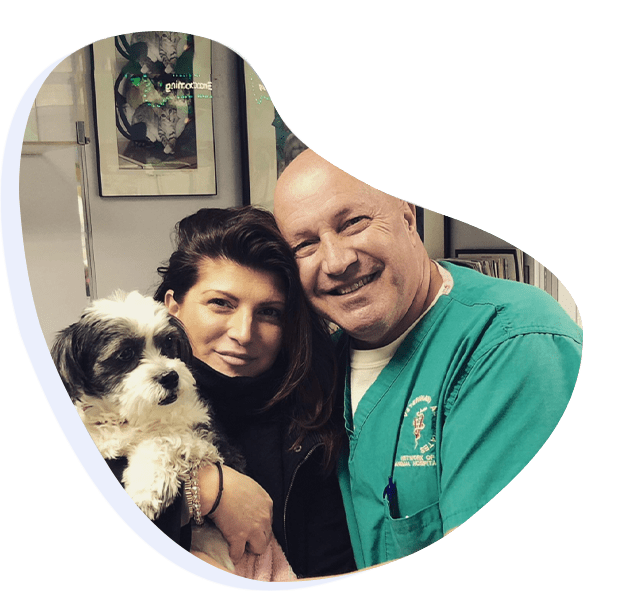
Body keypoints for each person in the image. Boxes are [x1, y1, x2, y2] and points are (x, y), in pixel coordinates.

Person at [273, 150, 584, 569]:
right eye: (305, 245)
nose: (336, 261)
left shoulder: (513, 343)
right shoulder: (324, 364)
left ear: (407, 214)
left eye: (354, 224)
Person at [153, 206, 356, 578]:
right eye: (221, 304)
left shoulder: (316, 414)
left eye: (270, 313)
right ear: (173, 305)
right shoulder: (110, 387)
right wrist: (205, 489)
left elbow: (332, 563)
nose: (244, 333)